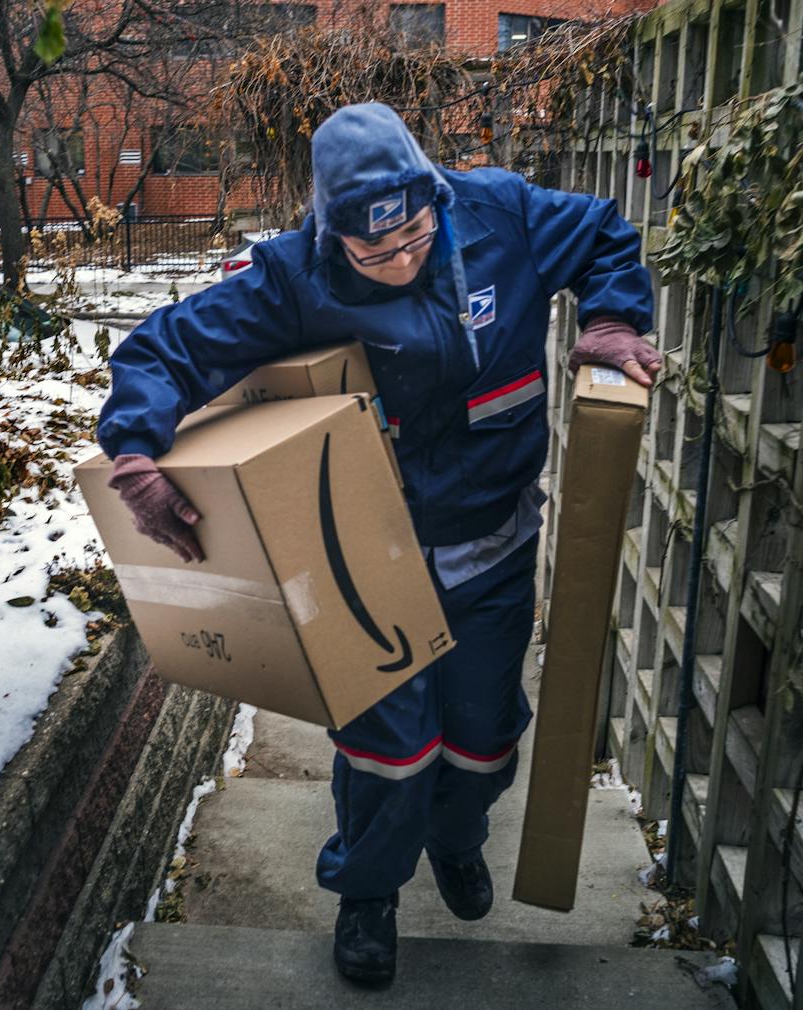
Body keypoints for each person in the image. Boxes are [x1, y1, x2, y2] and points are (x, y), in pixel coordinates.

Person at [96, 103, 661, 986]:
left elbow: (604, 233)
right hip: (365, 564)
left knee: (481, 741)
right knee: (389, 752)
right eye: (374, 253)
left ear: (433, 196)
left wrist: (616, 318)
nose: (401, 262)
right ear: (333, 233)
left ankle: (457, 836)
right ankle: (368, 894)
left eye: (414, 238)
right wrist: (134, 450)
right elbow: (166, 348)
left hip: (492, 544)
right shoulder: (292, 277)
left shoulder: (501, 215)